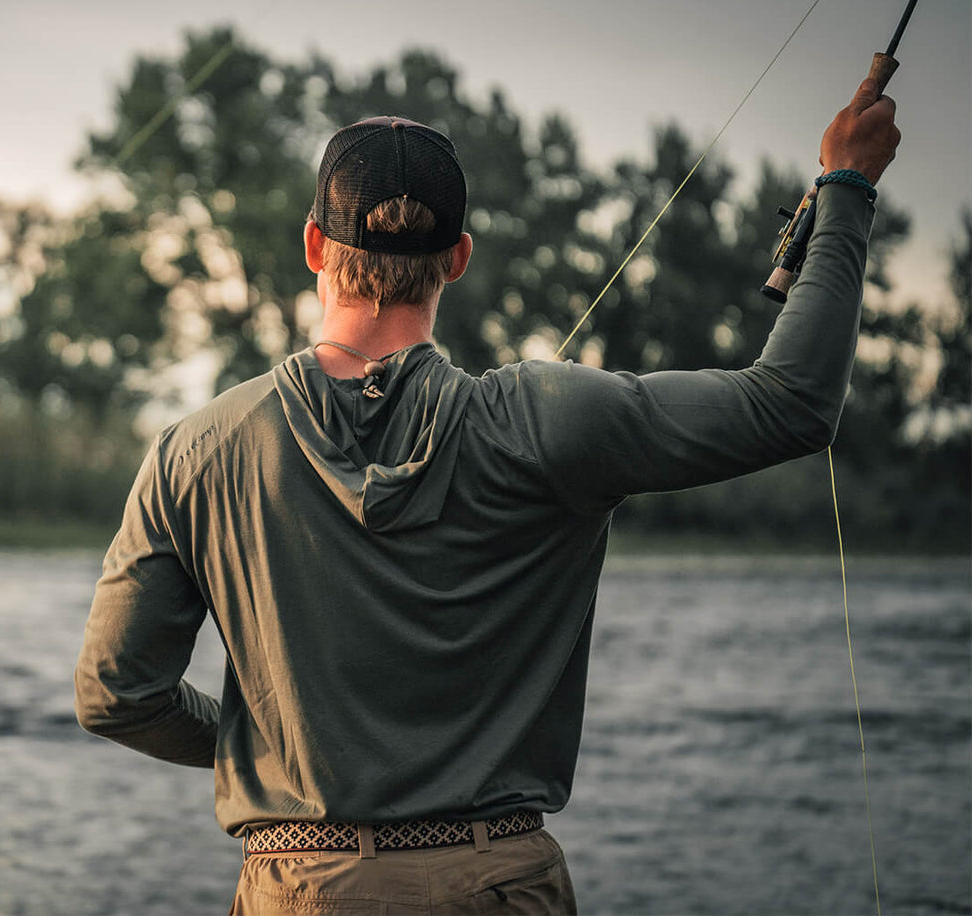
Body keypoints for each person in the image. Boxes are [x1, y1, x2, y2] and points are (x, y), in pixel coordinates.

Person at [75, 79, 900, 914]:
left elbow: (116, 695)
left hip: (303, 886)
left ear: (314, 247)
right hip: (501, 885)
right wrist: (846, 188)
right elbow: (792, 402)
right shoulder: (553, 421)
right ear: (459, 257)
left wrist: (268, 745)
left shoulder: (196, 449)